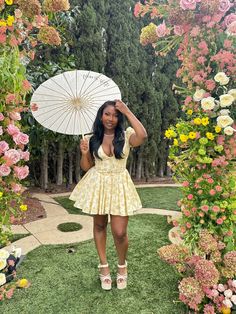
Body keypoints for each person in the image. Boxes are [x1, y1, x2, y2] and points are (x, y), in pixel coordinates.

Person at [69, 100, 147, 290]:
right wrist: (84, 153)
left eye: (115, 115)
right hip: (99, 184)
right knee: (100, 225)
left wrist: (127, 111)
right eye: (107, 114)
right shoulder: (91, 137)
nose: (111, 118)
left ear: (119, 117)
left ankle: (122, 266)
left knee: (120, 232)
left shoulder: (126, 135)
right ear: (101, 115)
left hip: (120, 184)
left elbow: (143, 136)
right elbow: (86, 167)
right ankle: (103, 266)